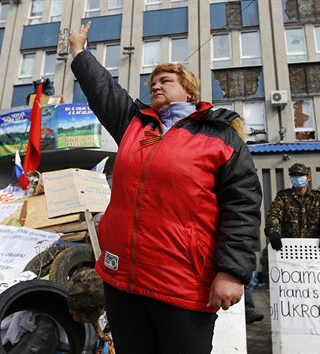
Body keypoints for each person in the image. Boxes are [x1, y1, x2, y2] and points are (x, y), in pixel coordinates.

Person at [69, 22, 262, 353]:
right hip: (123, 283)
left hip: (182, 287)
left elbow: (242, 206)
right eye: (152, 82)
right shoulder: (134, 125)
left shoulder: (220, 137)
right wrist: (78, 52)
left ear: (188, 90)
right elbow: (103, 90)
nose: (155, 86)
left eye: (165, 81)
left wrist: (231, 271)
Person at [264, 163, 320, 252]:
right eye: (294, 176)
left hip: (314, 248)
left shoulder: (319, 197)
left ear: (308, 178)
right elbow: (274, 214)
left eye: (300, 175)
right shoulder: (283, 197)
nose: (297, 178)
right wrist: (273, 232)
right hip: (290, 248)